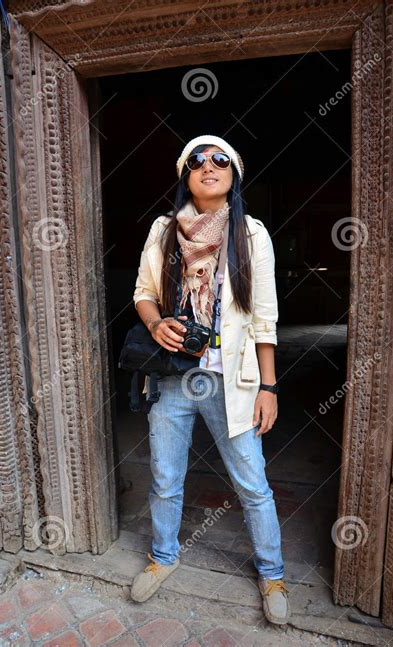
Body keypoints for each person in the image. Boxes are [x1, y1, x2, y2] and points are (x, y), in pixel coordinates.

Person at [130, 135, 289, 625]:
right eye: (196, 160)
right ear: (187, 176)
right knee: (164, 477)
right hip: (174, 375)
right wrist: (157, 323)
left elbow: (264, 317)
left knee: (252, 481)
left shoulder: (251, 234)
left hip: (231, 381)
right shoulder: (162, 231)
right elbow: (143, 292)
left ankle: (273, 572)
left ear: (233, 175)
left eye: (221, 159)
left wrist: (269, 386)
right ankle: (163, 556)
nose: (208, 166)